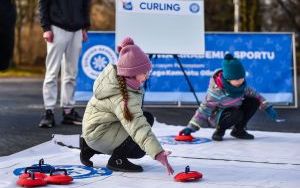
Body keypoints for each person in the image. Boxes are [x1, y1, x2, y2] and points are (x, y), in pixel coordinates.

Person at [80, 37, 174, 174]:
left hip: (95, 131)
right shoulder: (122, 96)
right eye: (144, 72)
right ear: (132, 73)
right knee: (139, 144)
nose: (147, 75)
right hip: (98, 134)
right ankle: (117, 160)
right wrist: (158, 153)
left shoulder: (119, 81)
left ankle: (89, 147)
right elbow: (137, 126)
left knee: (144, 122)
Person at [180, 54, 278, 141]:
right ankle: (219, 131)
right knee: (236, 113)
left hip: (236, 110)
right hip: (220, 116)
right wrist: (191, 127)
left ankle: (238, 130)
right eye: (236, 79)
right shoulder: (216, 92)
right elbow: (205, 109)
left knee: (253, 101)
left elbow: (256, 95)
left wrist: (267, 107)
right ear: (228, 79)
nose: (240, 81)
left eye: (242, 78)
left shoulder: (242, 87)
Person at [38, 0, 91, 128]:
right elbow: (43, 4)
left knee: (71, 73)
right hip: (56, 28)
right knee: (52, 73)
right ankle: (48, 112)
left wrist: (84, 27)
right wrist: (46, 27)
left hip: (77, 29)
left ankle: (68, 111)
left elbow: (85, 4)